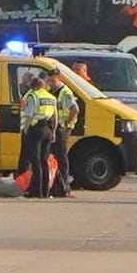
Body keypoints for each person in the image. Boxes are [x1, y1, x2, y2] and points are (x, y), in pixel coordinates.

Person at [17, 72, 58, 199]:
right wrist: (54, 132)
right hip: (48, 129)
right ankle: (46, 191)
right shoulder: (51, 97)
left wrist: (25, 129)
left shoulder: (33, 96)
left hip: (36, 130)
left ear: (33, 86)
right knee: (44, 160)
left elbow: (29, 115)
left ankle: (37, 191)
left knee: (35, 161)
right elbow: (55, 117)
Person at [49, 68, 80, 198]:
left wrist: (66, 123)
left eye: (53, 80)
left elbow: (75, 109)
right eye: (49, 80)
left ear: (59, 78)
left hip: (62, 129)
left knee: (61, 157)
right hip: (54, 128)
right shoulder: (51, 91)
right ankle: (56, 185)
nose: (51, 83)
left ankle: (64, 186)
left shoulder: (65, 92)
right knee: (54, 157)